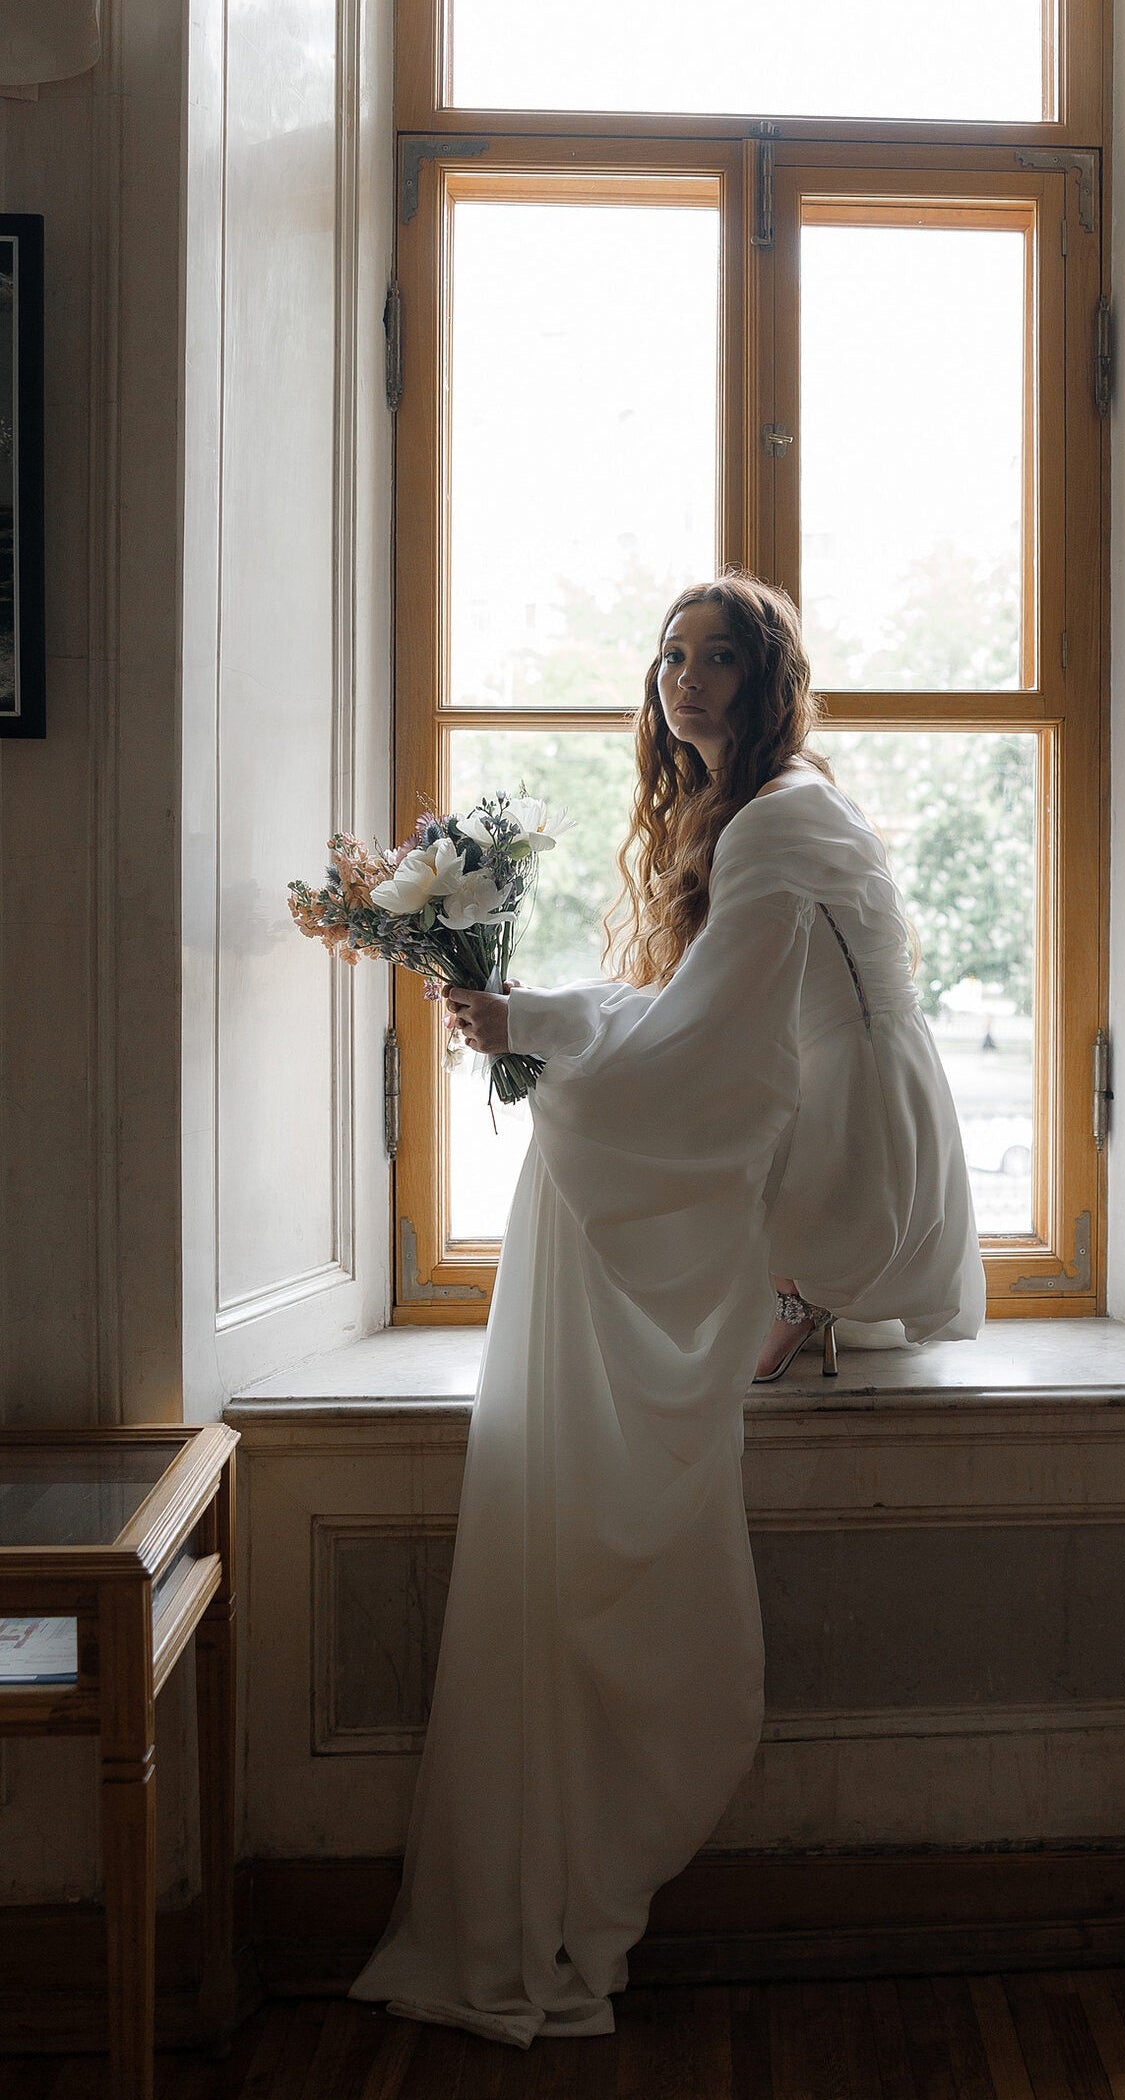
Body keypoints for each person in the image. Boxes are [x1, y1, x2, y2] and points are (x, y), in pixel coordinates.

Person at [349, 573, 984, 2043]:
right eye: (670, 658)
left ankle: (712, 1377)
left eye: (718, 661)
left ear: (770, 686)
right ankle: (703, 1364)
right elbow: (696, 1010)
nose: (684, 683)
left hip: (854, 1162)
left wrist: (545, 1039)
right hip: (836, 1123)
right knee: (589, 1125)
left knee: (578, 1164)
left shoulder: (779, 816)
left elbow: (709, 1040)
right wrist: (545, 1023)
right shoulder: (748, 817)